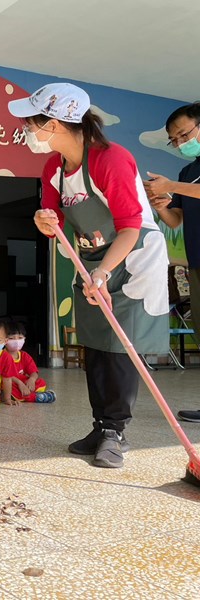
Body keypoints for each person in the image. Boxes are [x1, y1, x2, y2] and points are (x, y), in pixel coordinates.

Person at [10, 82, 169, 468]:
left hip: (131, 257)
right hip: (89, 257)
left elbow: (130, 226)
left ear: (57, 122)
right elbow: (55, 223)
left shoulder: (110, 159)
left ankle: (116, 432)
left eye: (33, 123)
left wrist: (104, 271)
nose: (28, 132)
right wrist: (43, 221)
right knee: (96, 346)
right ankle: (100, 426)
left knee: (120, 347)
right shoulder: (53, 168)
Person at [142, 102, 200, 423]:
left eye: (184, 134)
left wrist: (173, 187)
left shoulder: (182, 180)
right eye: (174, 140)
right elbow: (176, 220)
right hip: (196, 262)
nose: (180, 143)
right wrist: (161, 203)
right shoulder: (187, 171)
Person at [5, 322, 56, 403]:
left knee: (40, 382)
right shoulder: (2, 356)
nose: (16, 341)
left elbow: (33, 371)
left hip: (23, 381)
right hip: (10, 382)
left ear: (24, 338)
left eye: (20, 337)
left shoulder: (24, 355)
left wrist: (31, 380)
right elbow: (4, 376)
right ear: (4, 340)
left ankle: (30, 395)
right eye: (11, 338)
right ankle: (36, 397)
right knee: (10, 388)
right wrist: (20, 383)